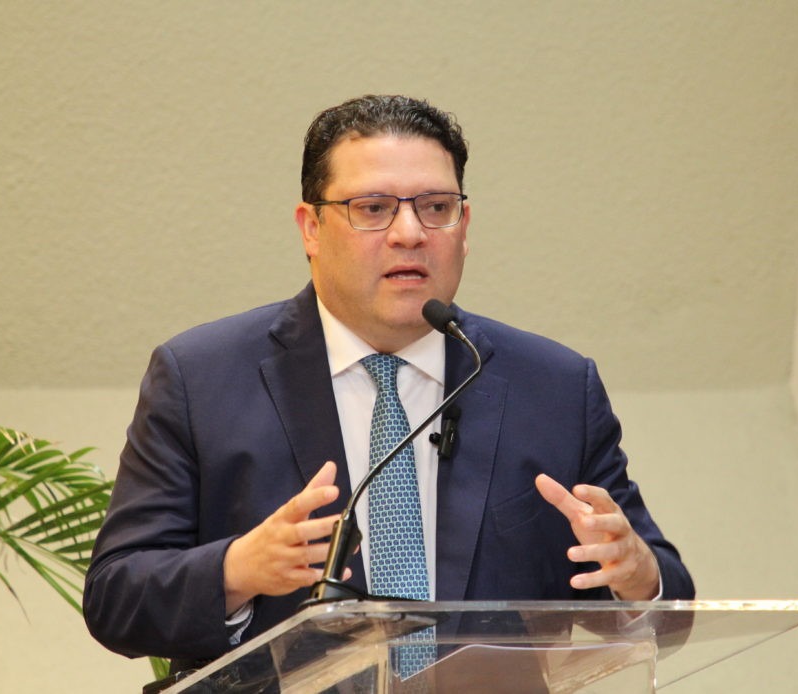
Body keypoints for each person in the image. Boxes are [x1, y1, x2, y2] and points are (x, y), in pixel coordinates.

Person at [83, 95, 694, 676]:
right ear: (311, 228)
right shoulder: (201, 378)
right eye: (373, 208)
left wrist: (637, 576)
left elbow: (666, 600)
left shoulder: (554, 388)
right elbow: (116, 597)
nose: (409, 233)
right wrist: (237, 570)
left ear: (464, 225)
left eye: (436, 207)